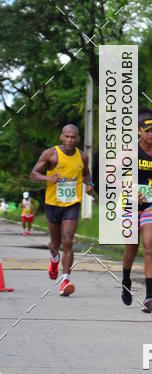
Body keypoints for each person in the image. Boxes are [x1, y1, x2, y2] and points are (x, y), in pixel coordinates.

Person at [29, 124, 94, 296]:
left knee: (68, 240)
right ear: (61, 137)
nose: (70, 140)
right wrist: (48, 177)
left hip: (72, 204)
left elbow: (86, 175)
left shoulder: (82, 157)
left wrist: (89, 185)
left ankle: (65, 280)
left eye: (73, 137)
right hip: (52, 204)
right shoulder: (50, 154)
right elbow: (33, 174)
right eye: (67, 136)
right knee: (55, 244)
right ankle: (54, 258)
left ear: (78, 139)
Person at [121, 111, 152, 313]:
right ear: (138, 131)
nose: (151, 134)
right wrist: (130, 190)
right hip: (130, 204)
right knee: (131, 249)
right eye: (147, 131)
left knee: (149, 247)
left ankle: (150, 297)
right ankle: (126, 279)